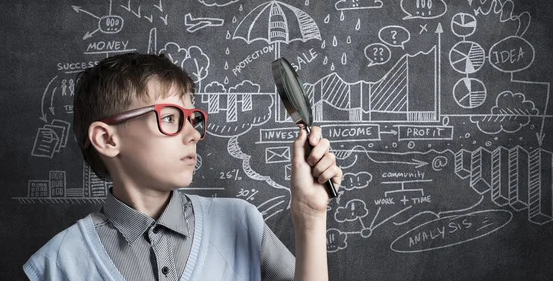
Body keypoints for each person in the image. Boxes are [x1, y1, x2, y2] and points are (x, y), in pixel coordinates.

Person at [23, 52, 342, 281]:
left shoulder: (240, 222)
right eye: (171, 118)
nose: (194, 134)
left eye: (193, 120)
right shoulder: (57, 264)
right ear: (107, 139)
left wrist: (310, 216)